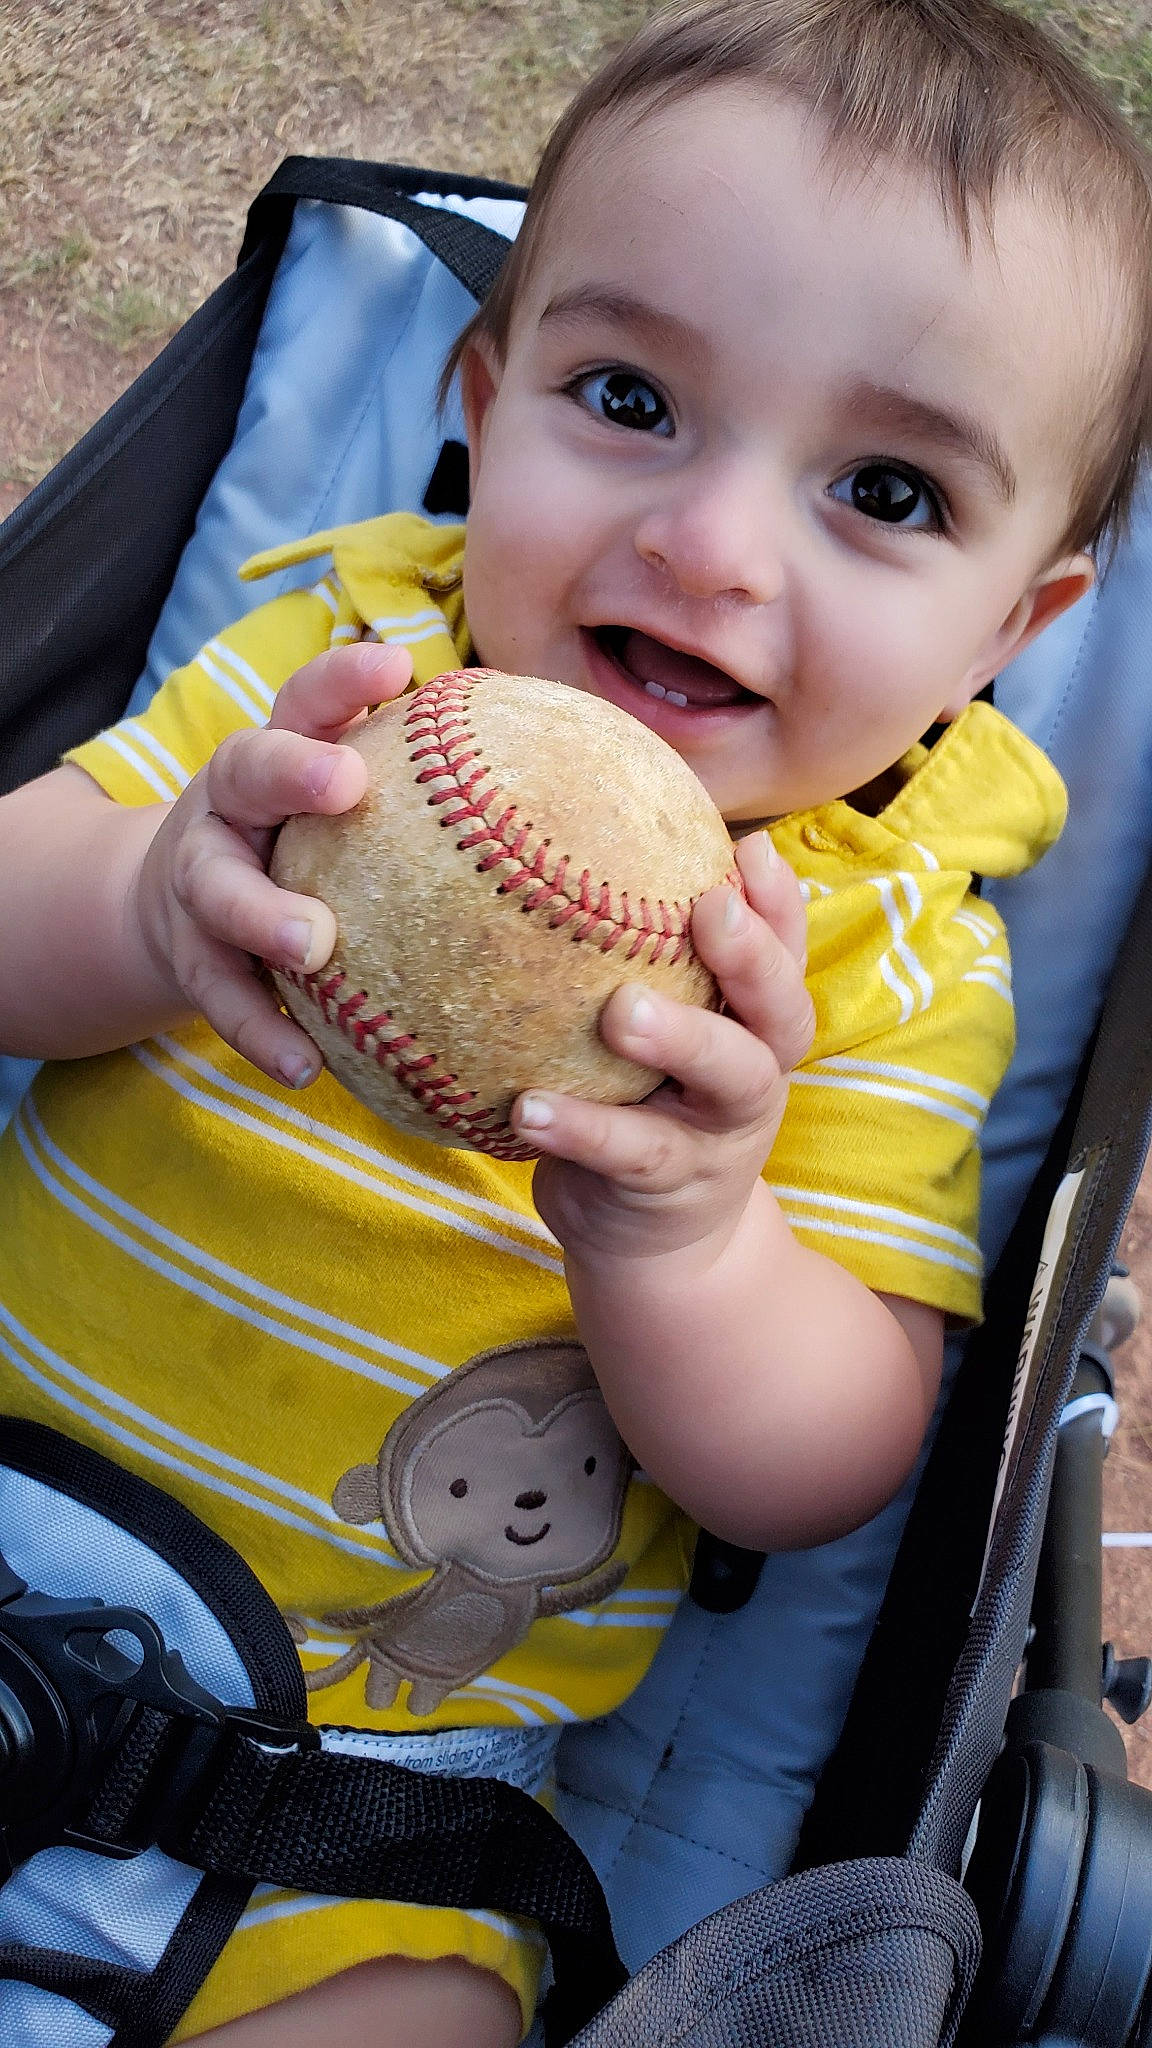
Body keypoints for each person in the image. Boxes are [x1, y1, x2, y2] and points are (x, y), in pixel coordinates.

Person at [1, 0, 1150, 2040]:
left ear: (1014, 628)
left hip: (343, 1833)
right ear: (483, 394)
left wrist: (692, 1239)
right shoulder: (328, 675)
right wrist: (147, 885)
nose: (707, 547)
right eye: (626, 394)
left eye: (885, 491)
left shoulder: (876, 959)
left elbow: (821, 1463)